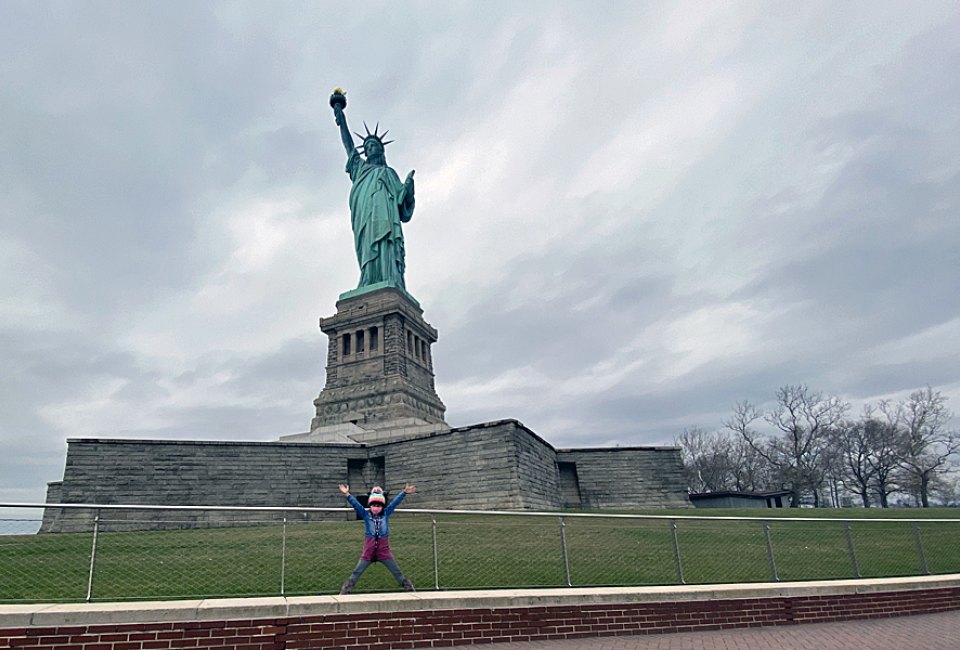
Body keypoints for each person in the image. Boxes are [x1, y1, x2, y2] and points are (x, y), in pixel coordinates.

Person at [332, 100, 416, 291]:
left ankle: (389, 277)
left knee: (385, 242)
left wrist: (409, 187)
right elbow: (348, 146)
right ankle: (368, 278)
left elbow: (403, 204)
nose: (370, 148)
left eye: (374, 145)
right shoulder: (360, 168)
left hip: (386, 216)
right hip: (365, 214)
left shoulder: (389, 173)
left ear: (381, 149)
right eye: (367, 146)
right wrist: (341, 119)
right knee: (368, 244)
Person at [338, 483, 416, 594]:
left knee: (396, 571)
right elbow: (356, 505)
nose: (375, 508)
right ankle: (346, 590)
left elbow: (395, 503)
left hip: (383, 551)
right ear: (370, 505)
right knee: (357, 571)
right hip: (368, 552)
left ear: (382, 507)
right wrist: (347, 494)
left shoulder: (386, 514)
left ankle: (408, 588)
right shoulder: (366, 515)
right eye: (373, 505)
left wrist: (404, 492)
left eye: (378, 506)